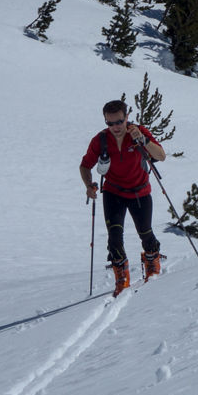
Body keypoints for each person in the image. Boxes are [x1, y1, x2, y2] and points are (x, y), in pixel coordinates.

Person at [79, 100, 168, 295]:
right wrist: (89, 185)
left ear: (127, 117)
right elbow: (85, 165)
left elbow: (161, 156)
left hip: (139, 192)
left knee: (145, 232)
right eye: (110, 123)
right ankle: (121, 277)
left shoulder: (139, 133)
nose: (115, 127)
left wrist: (143, 141)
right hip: (114, 192)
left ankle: (152, 261)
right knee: (114, 237)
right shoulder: (101, 140)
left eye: (119, 122)